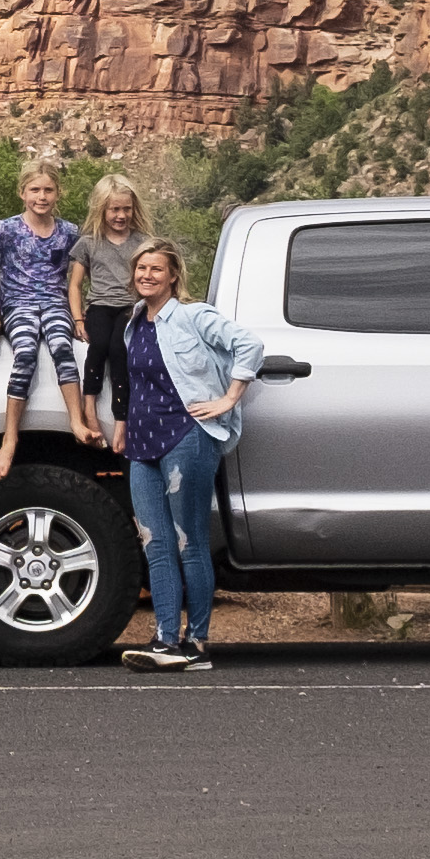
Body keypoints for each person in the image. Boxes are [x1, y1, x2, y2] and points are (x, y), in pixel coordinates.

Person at [115, 238, 265, 673]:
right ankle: (165, 639)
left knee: (189, 541)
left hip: (187, 437)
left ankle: (196, 643)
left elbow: (249, 345)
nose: (146, 275)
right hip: (143, 446)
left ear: (173, 275)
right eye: (141, 268)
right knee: (155, 542)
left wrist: (228, 398)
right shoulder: (135, 323)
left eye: (156, 269)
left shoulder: (193, 316)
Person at [0, 161, 97, 479]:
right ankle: (10, 436)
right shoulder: (6, 229)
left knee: (62, 346)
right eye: (35, 189)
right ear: (22, 193)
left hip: (54, 303)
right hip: (17, 305)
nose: (41, 196)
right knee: (27, 351)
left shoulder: (70, 232)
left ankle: (75, 419)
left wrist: (82, 314)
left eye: (48, 189)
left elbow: (89, 266)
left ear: (58, 193)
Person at [72, 173, 153, 456]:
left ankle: (121, 420)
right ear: (102, 210)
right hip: (100, 305)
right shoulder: (88, 242)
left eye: (126, 209)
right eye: (114, 209)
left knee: (120, 349)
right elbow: (75, 284)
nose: (121, 215)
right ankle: (89, 406)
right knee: (100, 346)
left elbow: (152, 275)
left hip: (130, 306)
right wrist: (78, 318)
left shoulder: (143, 242)